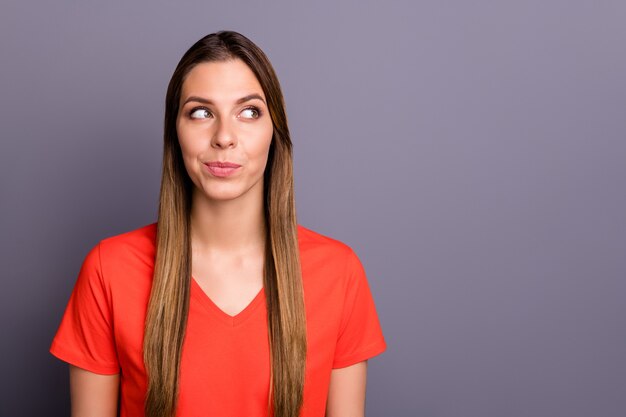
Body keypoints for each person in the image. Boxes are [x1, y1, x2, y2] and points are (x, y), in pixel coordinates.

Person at [50, 30, 386, 417]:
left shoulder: (338, 273)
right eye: (201, 112)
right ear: (175, 132)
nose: (224, 137)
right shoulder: (108, 270)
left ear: (274, 132)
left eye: (248, 112)